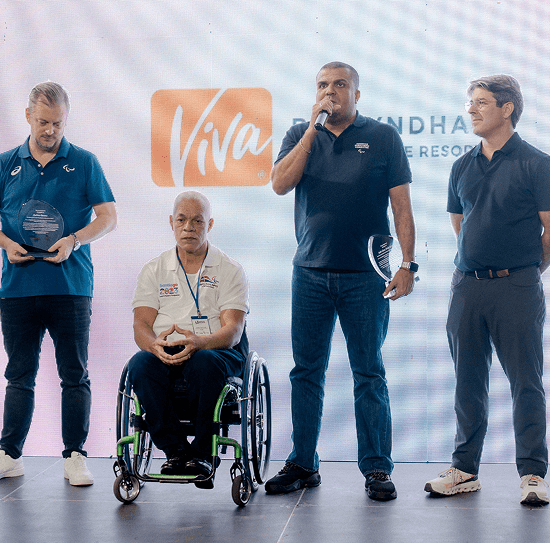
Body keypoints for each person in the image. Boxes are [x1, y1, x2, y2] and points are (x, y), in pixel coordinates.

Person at [265, 62, 416, 501]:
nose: (330, 91)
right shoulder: (300, 134)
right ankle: (302, 463)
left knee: (369, 372)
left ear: (357, 94)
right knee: (306, 372)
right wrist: (312, 131)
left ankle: (376, 468)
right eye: (322, 85)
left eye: (339, 84)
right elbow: (279, 184)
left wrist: (408, 264)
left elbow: (402, 207)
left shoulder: (383, 137)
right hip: (310, 273)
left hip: (366, 277)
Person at [0, 82, 116, 486]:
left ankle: (75, 456)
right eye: (43, 122)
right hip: (18, 288)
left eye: (57, 123)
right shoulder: (5, 163)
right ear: (28, 117)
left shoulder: (84, 161)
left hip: (70, 287)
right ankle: (10, 454)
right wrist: (6, 243)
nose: (50, 130)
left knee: (74, 374)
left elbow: (108, 216)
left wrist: (74, 240)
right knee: (19, 374)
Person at [424, 75, 550, 506]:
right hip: (466, 287)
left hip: (517, 286)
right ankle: (464, 470)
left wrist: (525, 270)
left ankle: (532, 473)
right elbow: (460, 225)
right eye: (470, 103)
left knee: (526, 382)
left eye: (481, 102)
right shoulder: (461, 166)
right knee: (467, 382)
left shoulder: (537, 164)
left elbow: (549, 232)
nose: (471, 110)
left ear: (507, 108)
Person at [128, 191, 249, 489]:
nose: (188, 228)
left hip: (217, 350)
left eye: (197, 221)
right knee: (140, 363)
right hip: (168, 350)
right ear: (171, 222)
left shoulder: (229, 269)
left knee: (204, 362)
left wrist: (200, 342)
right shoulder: (154, 269)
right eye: (181, 220)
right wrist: (153, 345)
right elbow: (141, 324)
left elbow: (233, 330)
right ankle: (176, 452)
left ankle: (204, 453)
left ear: (210, 225)